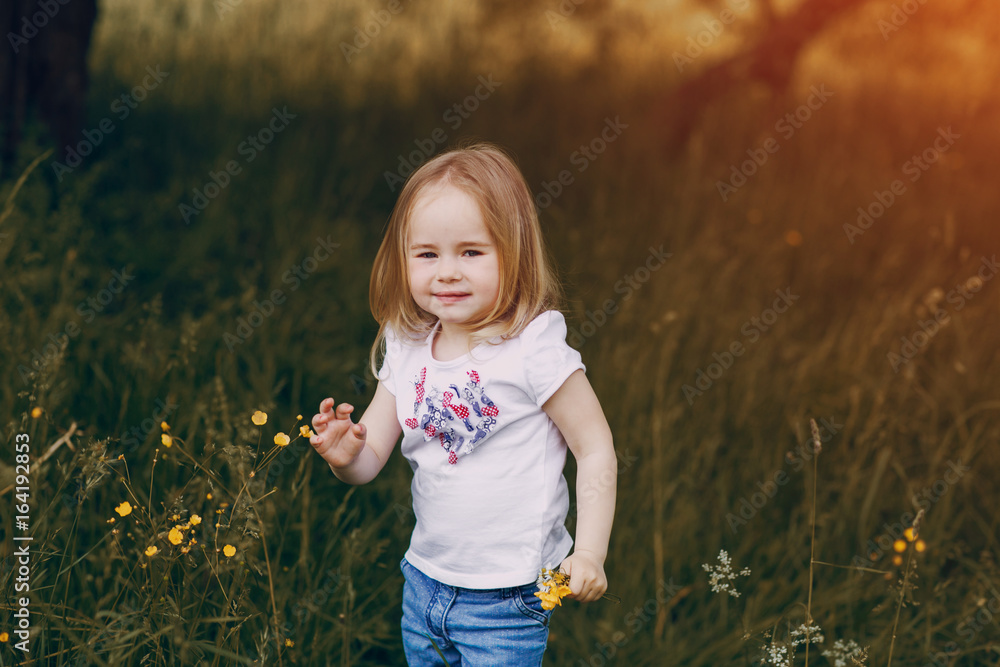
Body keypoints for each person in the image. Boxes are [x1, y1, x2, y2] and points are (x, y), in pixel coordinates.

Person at [309, 141, 617, 666]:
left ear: (513, 251)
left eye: (471, 252)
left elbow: (595, 447)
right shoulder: (406, 344)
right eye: (427, 254)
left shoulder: (531, 347)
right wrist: (345, 458)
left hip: (510, 597)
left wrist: (588, 552)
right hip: (425, 583)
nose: (446, 271)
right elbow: (369, 459)